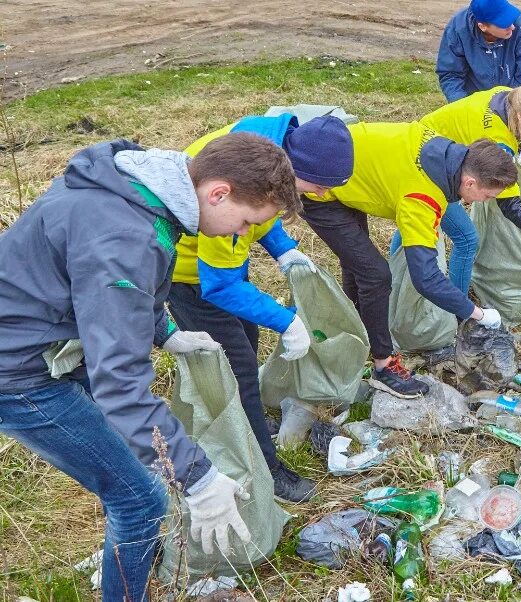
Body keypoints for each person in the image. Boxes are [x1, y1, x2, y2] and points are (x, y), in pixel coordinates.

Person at [0, 134, 301, 599]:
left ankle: (123, 544)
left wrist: (163, 331)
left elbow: (106, 281)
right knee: (141, 499)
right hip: (17, 371)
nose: (241, 236)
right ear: (217, 192)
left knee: (129, 470)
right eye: (245, 222)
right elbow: (120, 384)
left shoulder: (142, 191)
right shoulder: (123, 234)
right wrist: (199, 478)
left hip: (42, 335)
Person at [301, 123, 521, 399]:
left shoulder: (443, 148)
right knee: (376, 276)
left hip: (347, 172)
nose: (483, 202)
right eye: (487, 195)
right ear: (469, 182)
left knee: (360, 265)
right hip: (320, 187)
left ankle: (358, 332)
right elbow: (425, 278)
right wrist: (475, 313)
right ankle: (383, 366)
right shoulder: (423, 196)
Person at [168, 113, 354, 503]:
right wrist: (286, 321)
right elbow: (220, 285)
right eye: (317, 186)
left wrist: (283, 249)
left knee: (246, 341)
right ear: (295, 168)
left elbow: (260, 215)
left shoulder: (266, 156)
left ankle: (247, 420)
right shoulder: (227, 201)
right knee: (235, 359)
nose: (320, 196)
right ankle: (266, 471)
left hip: (222, 271)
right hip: (190, 279)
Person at [388, 80, 521, 295]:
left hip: (422, 143)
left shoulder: (510, 95)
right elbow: (511, 206)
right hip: (427, 168)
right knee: (466, 239)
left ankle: (392, 280)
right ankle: (459, 313)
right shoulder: (497, 141)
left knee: (412, 224)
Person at [436, 0, 521, 103]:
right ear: (483, 26)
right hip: (473, 103)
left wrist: (510, 109)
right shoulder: (457, 29)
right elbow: (450, 74)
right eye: (504, 23)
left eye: (510, 19)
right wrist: (465, 107)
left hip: (513, 102)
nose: (512, 26)